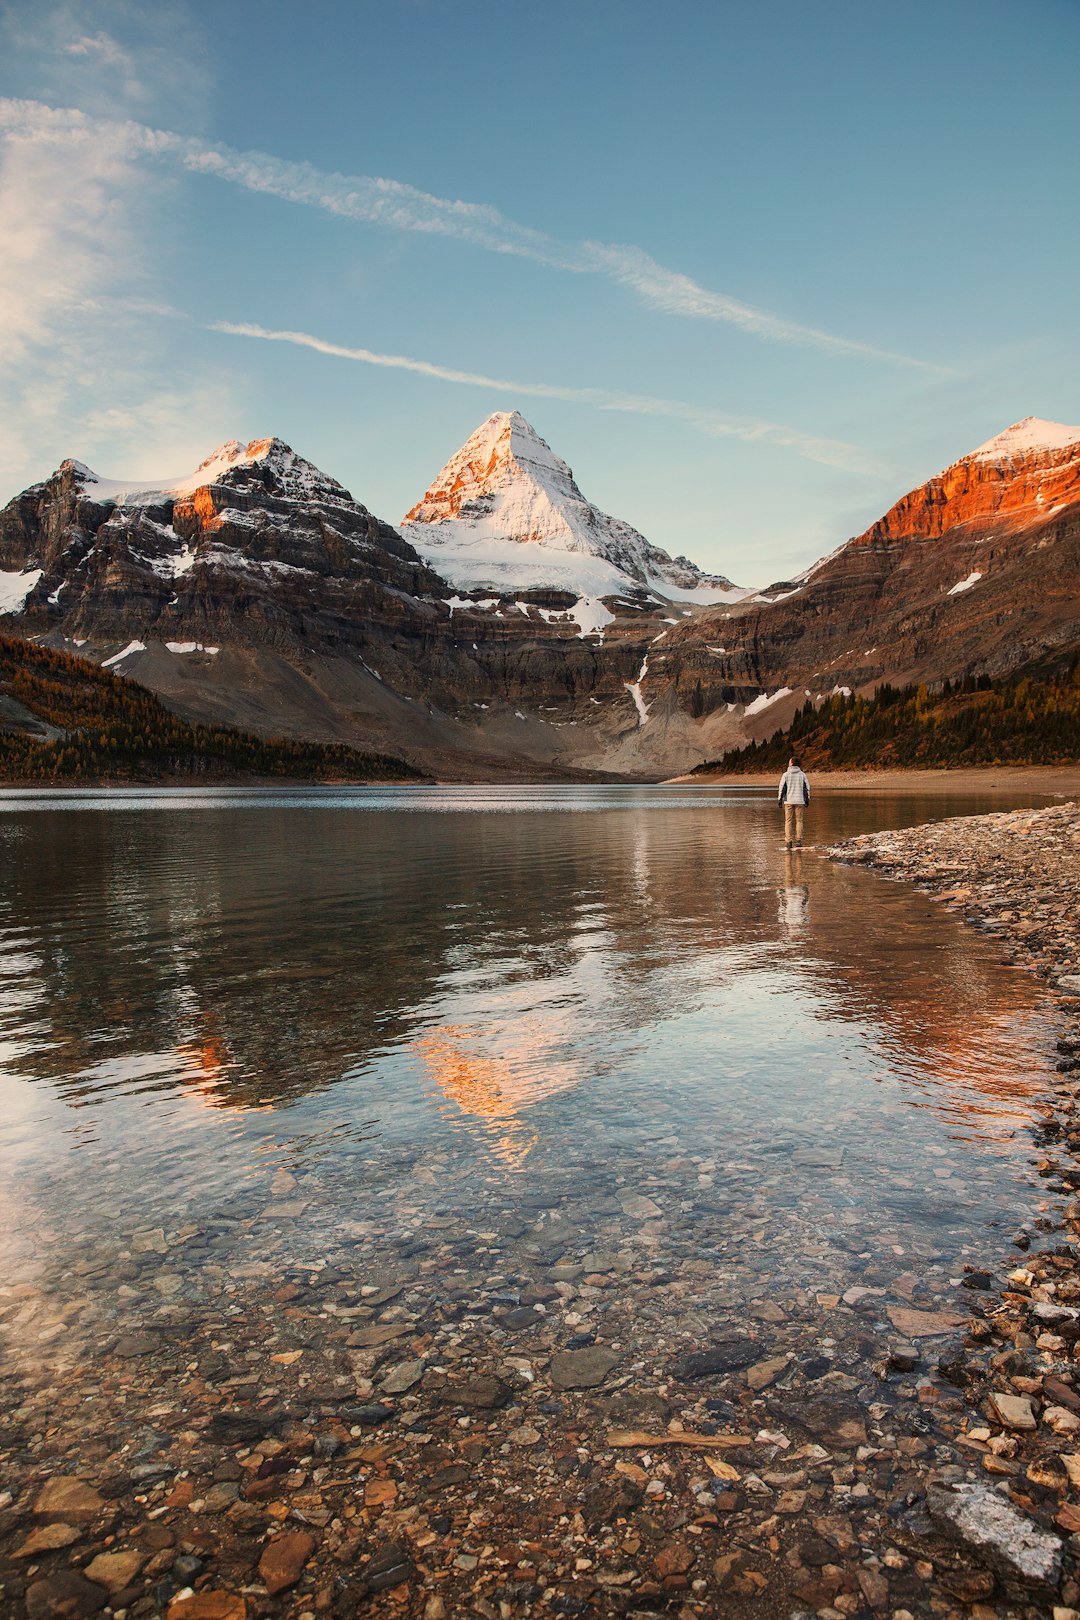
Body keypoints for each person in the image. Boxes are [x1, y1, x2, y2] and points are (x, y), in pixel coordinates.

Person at [777, 755, 810, 849]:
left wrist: (780, 799)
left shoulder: (786, 775)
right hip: (800, 800)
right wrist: (807, 799)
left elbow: (781, 787)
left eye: (789, 761)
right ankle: (799, 841)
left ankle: (788, 842)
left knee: (788, 821)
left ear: (791, 763)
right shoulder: (802, 775)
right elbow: (807, 788)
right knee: (799, 821)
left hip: (789, 801)